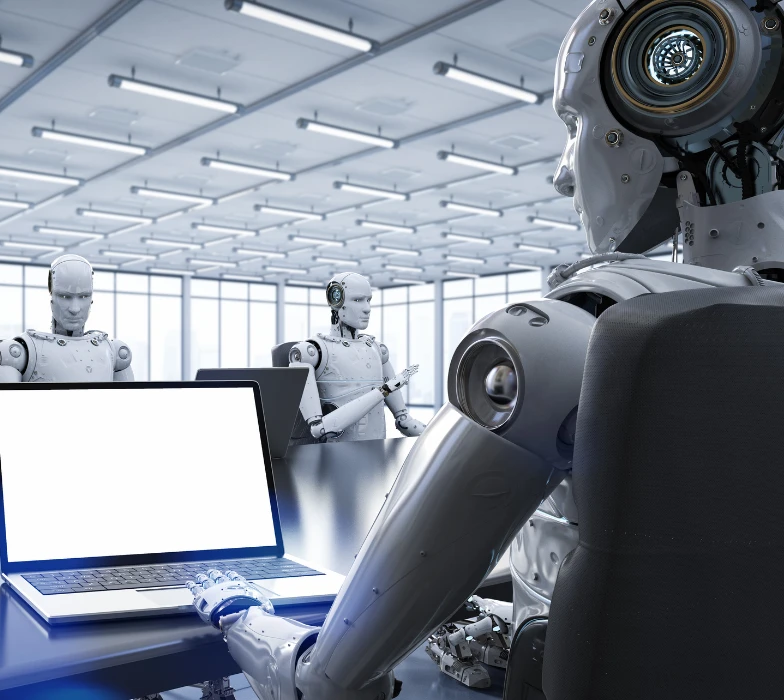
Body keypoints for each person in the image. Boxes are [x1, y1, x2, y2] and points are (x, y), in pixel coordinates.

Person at [185, 0, 781, 696]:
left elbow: (329, 681)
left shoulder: (595, 331)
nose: (564, 172)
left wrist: (239, 615)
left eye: (576, 126)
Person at [290, 271, 423, 441]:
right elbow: (319, 429)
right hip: (337, 459)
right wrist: (384, 390)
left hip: (379, 456)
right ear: (336, 300)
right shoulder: (311, 352)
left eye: (368, 300)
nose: (367, 309)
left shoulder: (376, 349)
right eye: (358, 300)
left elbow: (405, 422)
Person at [0, 254, 132, 383]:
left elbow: (128, 407)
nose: (74, 309)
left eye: (83, 296)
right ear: (52, 298)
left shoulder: (113, 352)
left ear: (91, 299)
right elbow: (7, 410)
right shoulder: (22, 352)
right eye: (65, 296)